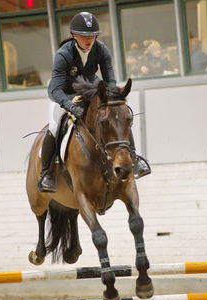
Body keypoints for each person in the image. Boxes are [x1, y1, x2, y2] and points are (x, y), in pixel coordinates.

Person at [39, 12, 151, 193]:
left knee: (118, 116)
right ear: (74, 36)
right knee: (54, 126)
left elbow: (111, 79)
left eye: (92, 36)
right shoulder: (63, 54)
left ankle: (135, 158)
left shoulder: (101, 50)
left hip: (89, 90)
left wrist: (112, 98)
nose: (88, 40)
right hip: (63, 95)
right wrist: (70, 106)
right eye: (84, 36)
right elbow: (55, 89)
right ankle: (47, 174)